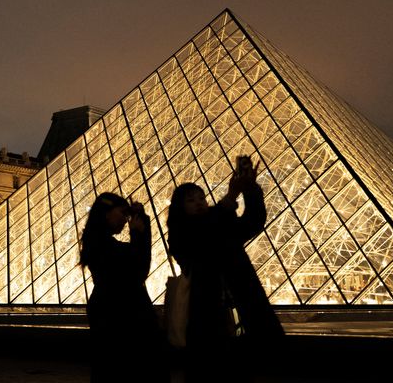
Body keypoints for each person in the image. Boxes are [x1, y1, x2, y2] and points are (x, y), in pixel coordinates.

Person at [166, 156, 284, 380]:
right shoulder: (180, 232)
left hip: (242, 303)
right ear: (180, 208)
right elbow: (202, 239)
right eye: (191, 200)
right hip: (207, 315)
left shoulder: (219, 221)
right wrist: (230, 197)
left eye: (201, 197)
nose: (200, 202)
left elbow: (252, 223)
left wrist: (250, 190)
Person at [79, 192, 162, 381]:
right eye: (123, 213)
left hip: (112, 311)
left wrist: (140, 224)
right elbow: (138, 270)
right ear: (107, 213)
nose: (126, 220)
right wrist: (138, 233)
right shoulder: (102, 245)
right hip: (120, 314)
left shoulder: (95, 241)